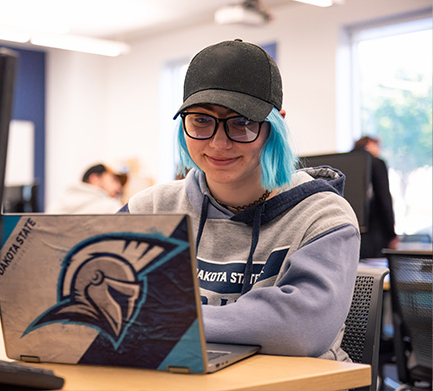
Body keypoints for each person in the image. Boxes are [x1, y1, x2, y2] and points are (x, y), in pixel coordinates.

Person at [119, 40, 360, 361]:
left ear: (276, 125)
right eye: (201, 120)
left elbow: (301, 331)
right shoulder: (148, 208)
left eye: (242, 122)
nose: (219, 143)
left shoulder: (324, 216)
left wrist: (159, 319)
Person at [353, 136, 398, 257]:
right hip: (374, 234)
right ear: (368, 144)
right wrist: (391, 234)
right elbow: (384, 198)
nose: (379, 150)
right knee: (375, 273)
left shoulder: (346, 162)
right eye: (377, 146)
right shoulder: (376, 162)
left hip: (351, 233)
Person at [46, 163, 126, 214]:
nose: (118, 188)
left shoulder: (56, 206)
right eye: (113, 181)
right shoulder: (111, 207)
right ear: (95, 179)